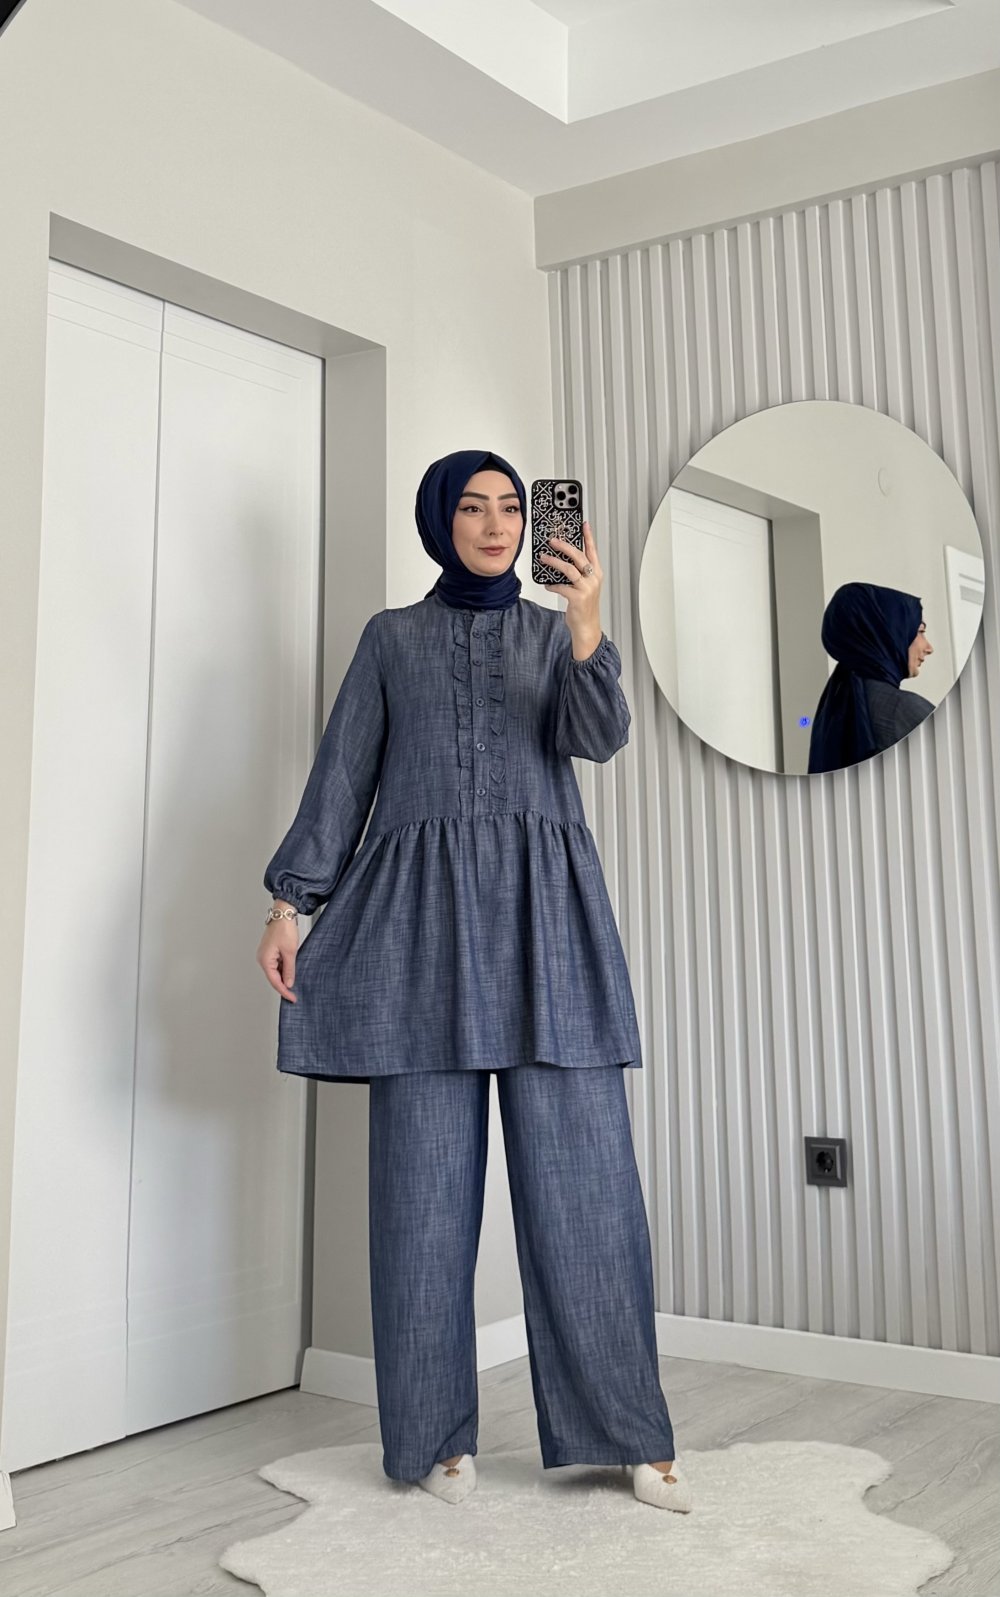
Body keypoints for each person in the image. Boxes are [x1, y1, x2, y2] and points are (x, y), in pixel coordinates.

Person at [256, 449, 692, 1513]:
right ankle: (434, 1439)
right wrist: (288, 903)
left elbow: (599, 736)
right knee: (420, 1199)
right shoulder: (390, 639)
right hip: (417, 940)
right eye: (472, 506)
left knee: (588, 1193)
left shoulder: (555, 631)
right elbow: (342, 776)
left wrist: (587, 619)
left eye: (510, 507)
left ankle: (628, 1436)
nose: (497, 524)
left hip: (548, 929)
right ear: (438, 521)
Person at [807, 581, 935, 774]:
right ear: (888, 632)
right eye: (920, 632)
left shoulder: (831, 712)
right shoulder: (904, 710)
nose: (929, 648)